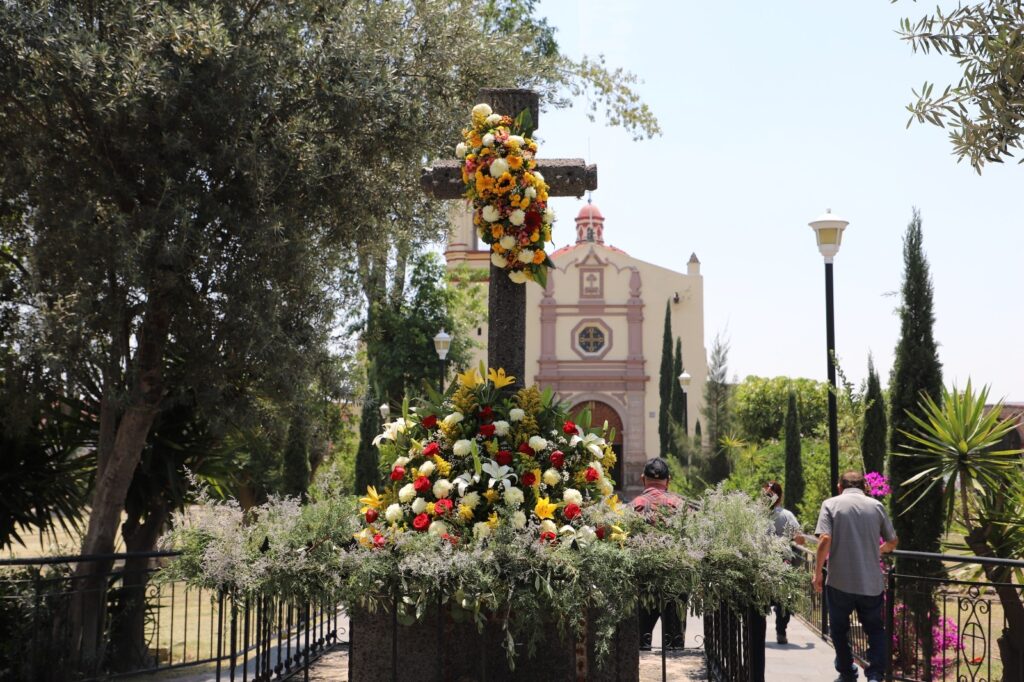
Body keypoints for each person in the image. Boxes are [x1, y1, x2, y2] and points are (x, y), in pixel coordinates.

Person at [814, 471, 898, 682]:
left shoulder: (831, 504)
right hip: (871, 582)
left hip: (840, 582)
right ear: (865, 487)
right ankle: (876, 675)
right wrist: (879, 550)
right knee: (875, 630)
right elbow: (893, 541)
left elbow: (824, 539)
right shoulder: (876, 506)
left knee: (839, 630)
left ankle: (847, 673)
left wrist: (817, 574)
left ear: (839, 486)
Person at [631, 457, 687, 651]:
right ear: (668, 480)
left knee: (640, 643)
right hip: (675, 581)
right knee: (674, 646)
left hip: (643, 582)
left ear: (642, 479)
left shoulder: (634, 505)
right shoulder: (680, 505)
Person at [763, 480, 805, 645]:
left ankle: (757, 631)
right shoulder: (787, 515)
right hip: (783, 562)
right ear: (780, 497)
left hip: (763, 562)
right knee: (784, 598)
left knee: (762, 596)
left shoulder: (758, 516)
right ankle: (781, 632)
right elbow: (800, 539)